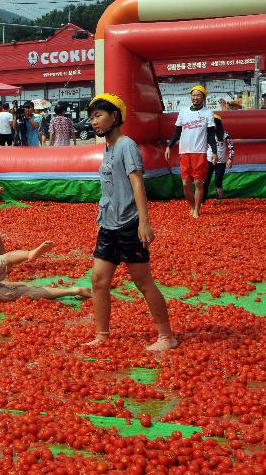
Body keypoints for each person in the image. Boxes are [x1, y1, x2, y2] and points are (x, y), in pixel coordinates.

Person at [86, 94, 178, 351]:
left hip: (128, 225)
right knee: (98, 281)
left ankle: (166, 337)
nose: (94, 121)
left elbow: (137, 183)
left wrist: (144, 223)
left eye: (99, 115)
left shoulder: (126, 145)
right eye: (92, 117)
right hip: (108, 226)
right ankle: (102, 335)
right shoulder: (108, 147)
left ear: (115, 116)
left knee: (143, 282)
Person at [0, 243, 90, 304]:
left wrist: (20, 283)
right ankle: (30, 255)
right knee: (6, 258)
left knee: (25, 290)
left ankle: (73, 290)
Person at [165, 85, 218, 218]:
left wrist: (215, 152)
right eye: (193, 95)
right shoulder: (183, 111)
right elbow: (177, 132)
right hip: (184, 152)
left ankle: (196, 210)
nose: (195, 97)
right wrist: (169, 146)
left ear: (203, 97)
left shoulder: (208, 112)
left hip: (199, 152)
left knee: (198, 182)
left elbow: (211, 134)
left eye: (198, 95)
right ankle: (193, 206)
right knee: (185, 183)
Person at [203, 114, 235, 205]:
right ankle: (202, 199)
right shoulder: (207, 134)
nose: (212, 126)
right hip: (209, 160)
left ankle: (218, 199)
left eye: (214, 124)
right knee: (205, 180)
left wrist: (230, 159)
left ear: (218, 124)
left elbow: (231, 147)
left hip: (221, 162)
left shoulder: (225, 134)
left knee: (218, 181)